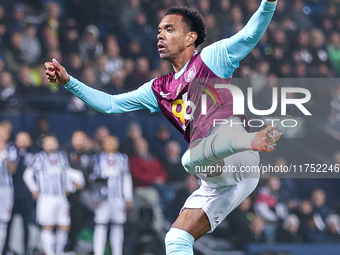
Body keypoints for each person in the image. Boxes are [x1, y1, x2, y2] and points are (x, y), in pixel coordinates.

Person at [45, 1, 280, 254]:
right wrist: (69, 82)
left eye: (169, 29)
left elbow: (250, 34)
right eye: (159, 29)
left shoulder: (212, 58)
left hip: (237, 152)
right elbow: (110, 104)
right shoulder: (158, 88)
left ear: (191, 37)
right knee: (177, 239)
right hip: (217, 174)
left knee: (190, 158)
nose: (160, 34)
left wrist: (268, 3)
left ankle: (249, 140)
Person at [23, 135, 75, 255]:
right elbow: (27, 175)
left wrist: (69, 187)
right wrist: (34, 189)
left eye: (53, 142)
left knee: (64, 224)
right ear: (44, 145)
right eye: (48, 142)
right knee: (48, 225)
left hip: (61, 197)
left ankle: (59, 251)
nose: (51, 145)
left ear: (57, 143)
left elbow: (66, 173)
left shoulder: (62, 157)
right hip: (46, 196)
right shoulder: (38, 158)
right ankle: (49, 251)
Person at [90, 135, 133, 255]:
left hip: (118, 197)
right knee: (100, 225)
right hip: (102, 198)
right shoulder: (97, 159)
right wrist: (95, 196)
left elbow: (126, 178)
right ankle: (98, 252)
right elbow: (93, 178)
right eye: (108, 142)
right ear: (103, 144)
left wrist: (128, 197)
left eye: (113, 142)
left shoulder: (123, 159)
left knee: (118, 226)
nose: (111, 145)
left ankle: (117, 252)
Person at [0, 125, 18, 254]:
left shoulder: (11, 149)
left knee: (3, 223)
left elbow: (12, 170)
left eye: (3, 134)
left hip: (5, 190)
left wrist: (4, 154)